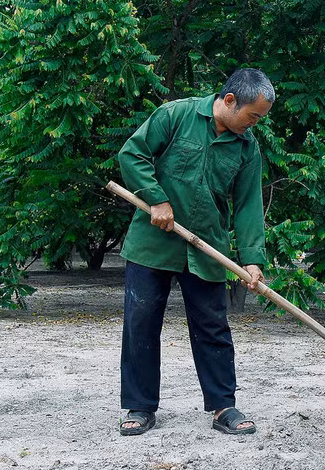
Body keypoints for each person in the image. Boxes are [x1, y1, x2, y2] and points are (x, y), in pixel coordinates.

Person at [116, 68, 274, 436]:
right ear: (230, 100)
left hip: (206, 247)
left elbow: (249, 205)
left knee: (212, 326)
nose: (254, 125)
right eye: (252, 116)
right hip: (152, 244)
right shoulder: (176, 115)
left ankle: (223, 406)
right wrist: (156, 199)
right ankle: (139, 407)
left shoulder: (247, 148)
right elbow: (132, 154)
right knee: (141, 323)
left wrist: (251, 260)